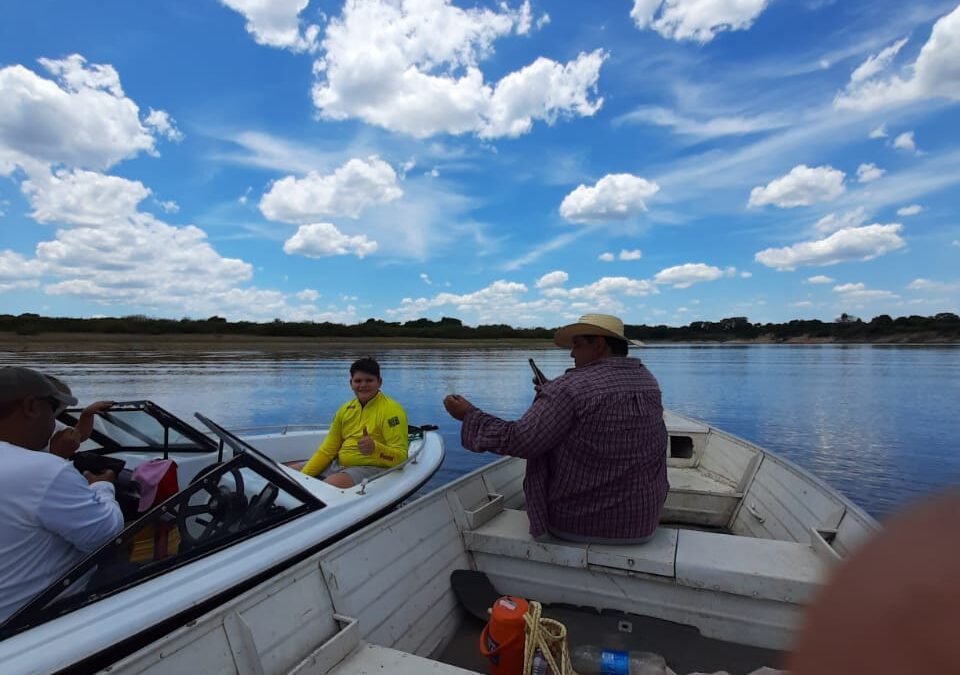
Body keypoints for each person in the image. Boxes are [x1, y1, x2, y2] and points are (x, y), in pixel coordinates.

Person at [443, 313, 667, 543]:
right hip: (644, 522)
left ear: (599, 344)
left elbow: (521, 441)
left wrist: (468, 415)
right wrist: (552, 393)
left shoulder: (567, 388)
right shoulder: (647, 380)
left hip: (584, 524)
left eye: (577, 345)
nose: (572, 354)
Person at [0, 366, 124, 623]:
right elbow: (106, 536)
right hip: (28, 621)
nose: (56, 421)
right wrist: (103, 487)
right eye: (54, 408)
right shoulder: (44, 471)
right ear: (30, 406)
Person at [301, 357, 409, 488]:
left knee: (329, 485)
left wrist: (375, 449)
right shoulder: (344, 410)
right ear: (351, 383)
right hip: (339, 465)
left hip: (371, 468)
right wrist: (302, 477)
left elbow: (401, 459)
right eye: (358, 381)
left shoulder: (392, 411)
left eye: (369, 380)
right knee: (288, 472)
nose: (363, 385)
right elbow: (327, 451)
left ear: (380, 382)